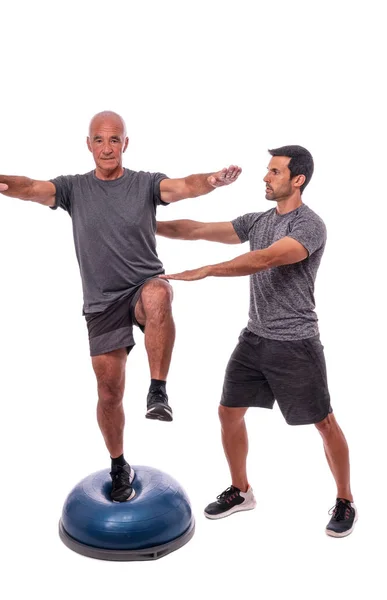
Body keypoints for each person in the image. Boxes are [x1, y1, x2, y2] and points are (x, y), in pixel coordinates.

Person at [0, 110, 241, 503]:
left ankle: (158, 391)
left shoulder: (145, 184)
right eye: (99, 140)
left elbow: (184, 186)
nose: (107, 147)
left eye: (115, 140)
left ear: (125, 144)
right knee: (108, 392)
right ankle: (118, 464)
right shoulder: (73, 189)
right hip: (101, 302)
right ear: (89, 144)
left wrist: (212, 181)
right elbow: (30, 187)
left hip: (142, 285)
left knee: (159, 292)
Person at [157, 145, 357, 537]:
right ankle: (241, 490)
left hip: (295, 343)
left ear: (297, 180)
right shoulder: (258, 221)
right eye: (267, 171)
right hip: (254, 339)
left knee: (324, 423)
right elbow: (196, 229)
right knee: (228, 412)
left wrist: (210, 271)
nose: (265, 177)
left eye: (275, 172)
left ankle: (346, 499)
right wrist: (141, 223)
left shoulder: (308, 226)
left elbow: (266, 259)